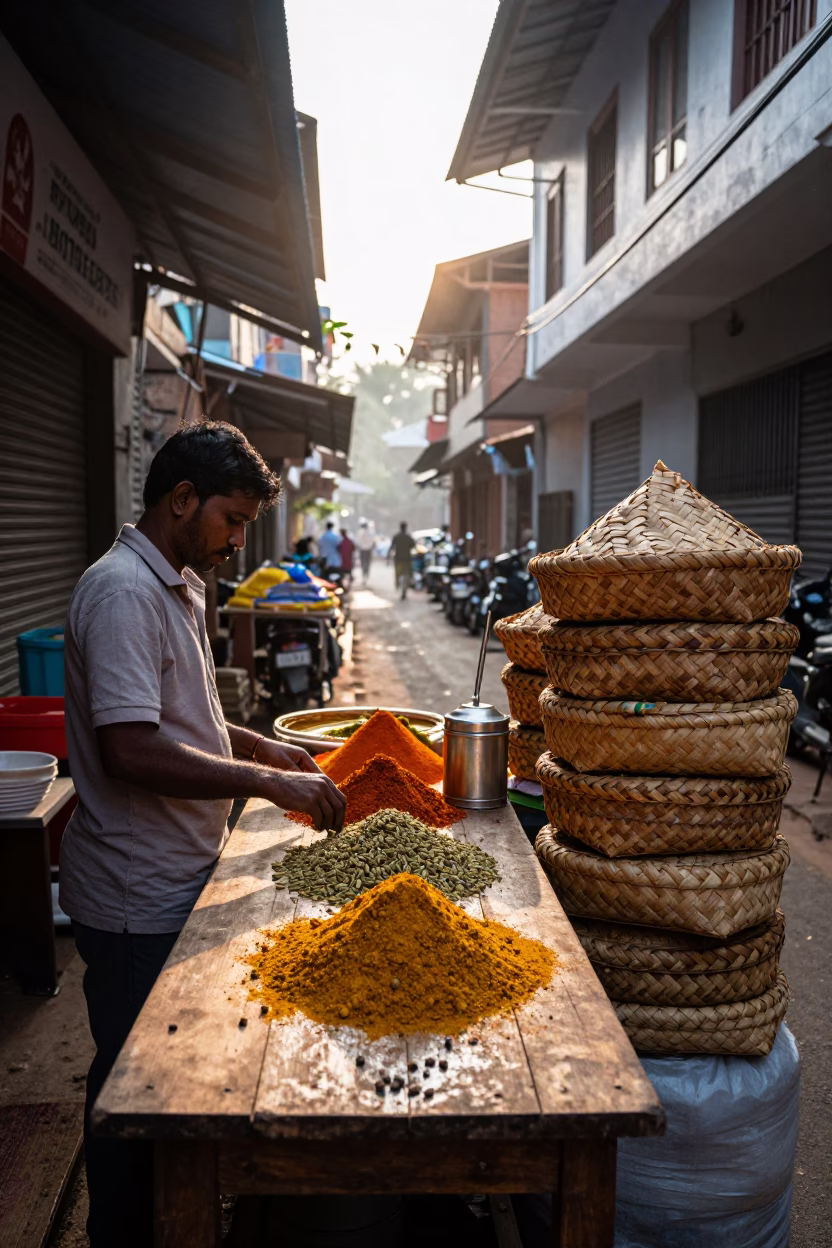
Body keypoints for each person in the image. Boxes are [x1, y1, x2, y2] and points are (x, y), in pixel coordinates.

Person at [61, 421, 346, 1246]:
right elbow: (132, 748)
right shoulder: (120, 593)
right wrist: (265, 779)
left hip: (178, 872)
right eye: (230, 519)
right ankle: (123, 1232)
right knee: (133, 1085)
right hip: (130, 891)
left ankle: (167, 1215)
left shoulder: (177, 582)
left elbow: (193, 719)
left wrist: (262, 743)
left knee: (162, 1075)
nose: (236, 540)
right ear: (180, 500)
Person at [389, 520, 416, 600]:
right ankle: (404, 590)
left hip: (398, 560)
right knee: (406, 576)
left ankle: (400, 588)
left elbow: (391, 547)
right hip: (407, 559)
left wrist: (388, 557)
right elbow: (413, 546)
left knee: (398, 575)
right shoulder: (408, 537)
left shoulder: (396, 537)